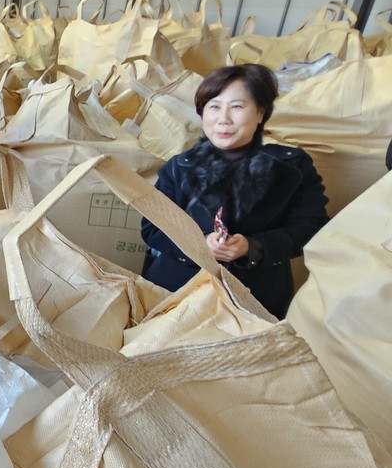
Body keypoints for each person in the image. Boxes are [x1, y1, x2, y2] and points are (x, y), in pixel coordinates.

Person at [141, 63, 329, 319]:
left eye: (237, 107)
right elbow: (152, 229)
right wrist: (199, 246)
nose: (223, 119)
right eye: (214, 106)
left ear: (261, 113)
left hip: (257, 298)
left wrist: (253, 247)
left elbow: (311, 227)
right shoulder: (179, 167)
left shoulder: (292, 166)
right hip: (178, 295)